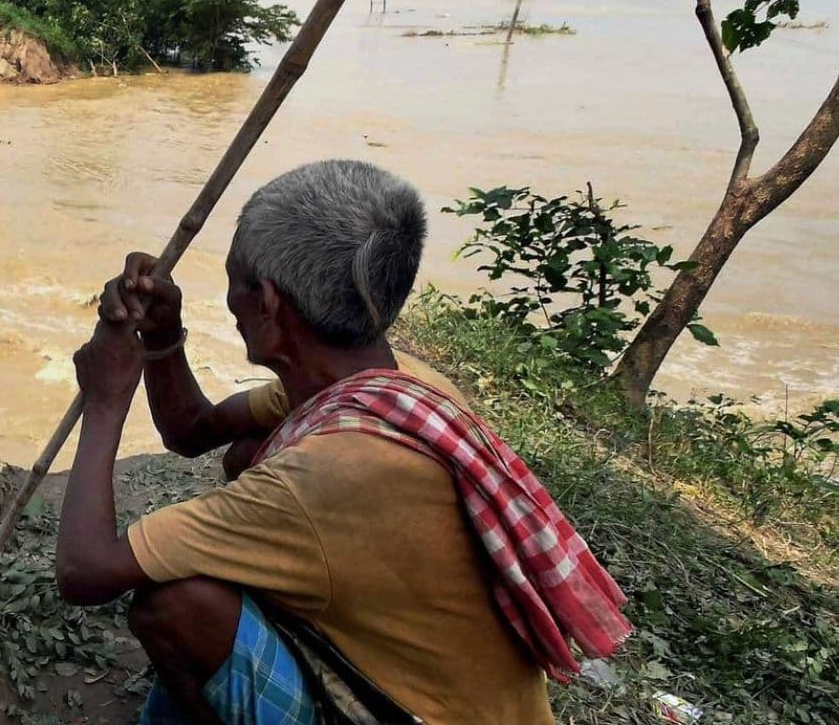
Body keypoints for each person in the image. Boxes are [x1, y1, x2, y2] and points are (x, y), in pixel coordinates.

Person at [52, 160, 629, 724]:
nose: (230, 305)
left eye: (235, 285)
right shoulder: (393, 388)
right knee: (247, 454)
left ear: (270, 306)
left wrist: (105, 403)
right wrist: (161, 337)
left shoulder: (325, 477)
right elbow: (189, 431)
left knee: (174, 606)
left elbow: (84, 570)